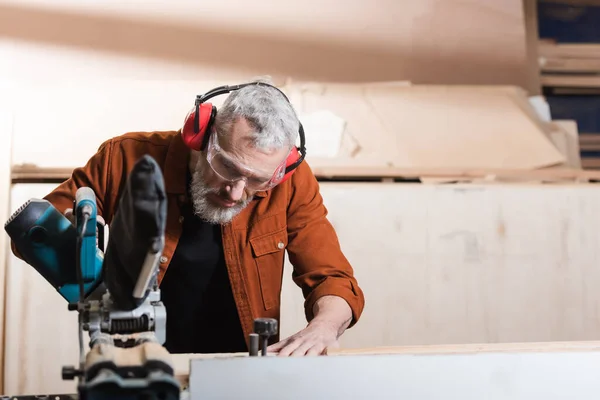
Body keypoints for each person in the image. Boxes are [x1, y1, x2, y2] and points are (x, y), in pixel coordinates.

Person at [14, 77, 365, 357]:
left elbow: (331, 279)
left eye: (257, 180)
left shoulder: (291, 185)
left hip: (239, 371)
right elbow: (36, 232)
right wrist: (92, 263)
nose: (236, 192)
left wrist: (324, 326)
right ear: (200, 135)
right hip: (134, 364)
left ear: (281, 170)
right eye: (227, 167)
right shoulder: (123, 159)